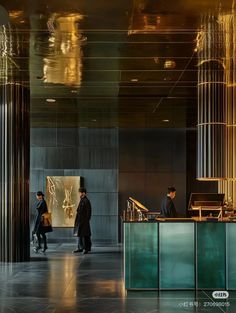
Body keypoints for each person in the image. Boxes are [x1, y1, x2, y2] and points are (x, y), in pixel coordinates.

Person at [73, 188, 92, 254]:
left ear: (84, 193)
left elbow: (89, 212)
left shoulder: (86, 201)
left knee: (85, 235)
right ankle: (80, 248)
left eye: (80, 193)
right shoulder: (82, 200)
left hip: (84, 221)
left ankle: (86, 248)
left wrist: (86, 221)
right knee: (79, 234)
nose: (79, 194)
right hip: (79, 220)